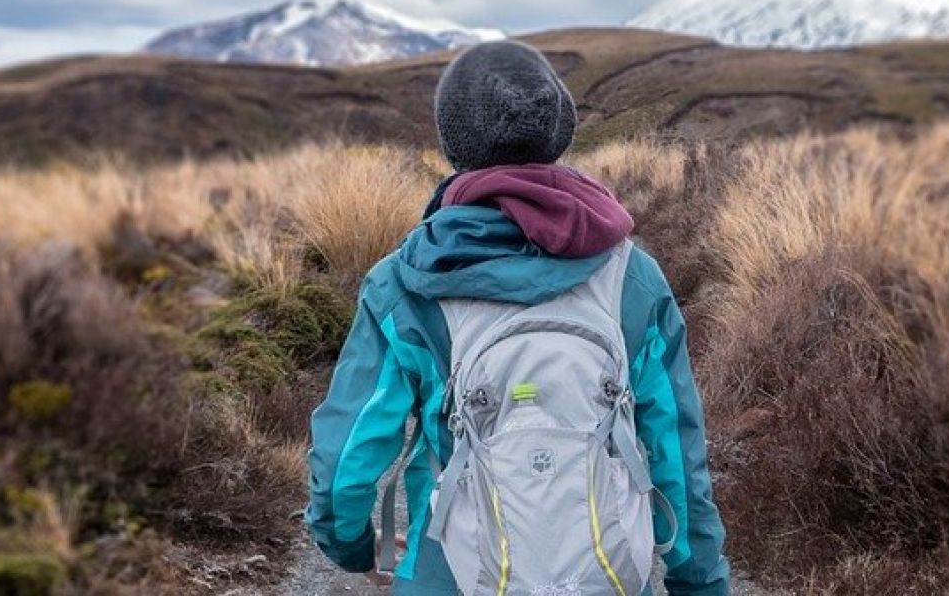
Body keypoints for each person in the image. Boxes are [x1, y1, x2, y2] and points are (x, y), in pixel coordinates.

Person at [303, 41, 732, 596]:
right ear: (559, 132)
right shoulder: (632, 275)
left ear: (454, 143)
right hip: (603, 573)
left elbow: (347, 458)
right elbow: (674, 446)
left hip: (451, 574)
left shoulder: (404, 280)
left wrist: (355, 547)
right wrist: (699, 580)